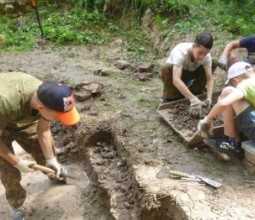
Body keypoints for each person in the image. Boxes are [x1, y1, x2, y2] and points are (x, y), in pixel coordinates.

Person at [0, 72, 80, 220]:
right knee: (8, 169)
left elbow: (43, 129)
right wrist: (17, 162)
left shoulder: (47, 95)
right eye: (57, 116)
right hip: (3, 116)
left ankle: (54, 171)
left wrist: (51, 159)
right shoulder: (4, 102)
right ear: (40, 107)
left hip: (20, 118)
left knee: (44, 152)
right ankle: (16, 205)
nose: (59, 120)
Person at [197, 61, 255, 159]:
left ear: (235, 80)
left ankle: (230, 141)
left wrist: (207, 119)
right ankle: (235, 143)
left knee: (227, 92)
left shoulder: (245, 84)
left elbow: (224, 103)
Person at [160, 32, 216, 118]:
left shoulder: (206, 57)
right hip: (175, 74)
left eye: (205, 53)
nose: (202, 56)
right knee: (166, 67)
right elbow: (176, 79)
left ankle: (195, 91)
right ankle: (171, 96)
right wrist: (193, 100)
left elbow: (210, 79)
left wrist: (209, 99)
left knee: (214, 61)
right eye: (200, 52)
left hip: (192, 72)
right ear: (193, 46)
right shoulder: (180, 52)